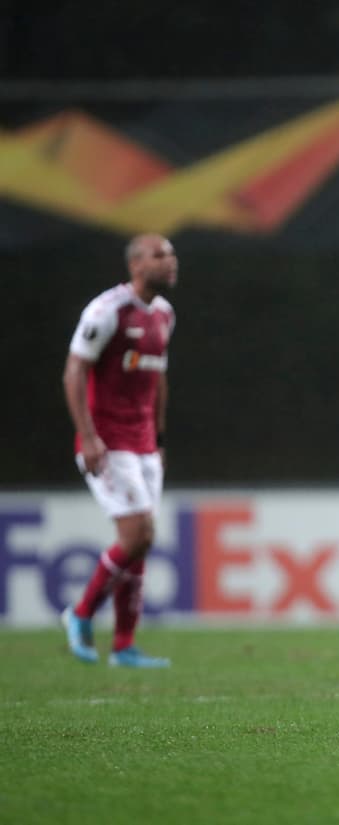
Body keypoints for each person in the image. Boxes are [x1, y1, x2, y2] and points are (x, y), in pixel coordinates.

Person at [60, 233, 178, 668]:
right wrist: (88, 436)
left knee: (142, 543)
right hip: (109, 443)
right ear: (135, 266)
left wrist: (159, 440)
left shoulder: (164, 315)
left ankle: (124, 645)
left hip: (145, 444)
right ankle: (81, 613)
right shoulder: (107, 311)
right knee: (137, 535)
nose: (170, 262)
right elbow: (74, 371)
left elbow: (157, 379)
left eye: (171, 255)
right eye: (159, 255)